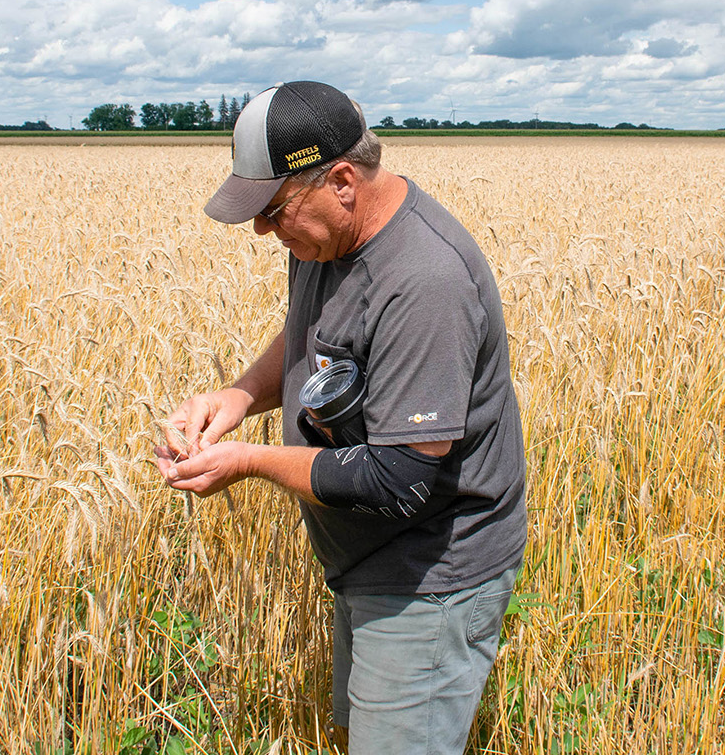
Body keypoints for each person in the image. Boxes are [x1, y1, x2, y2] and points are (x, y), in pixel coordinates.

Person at [155, 81, 526, 754]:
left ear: (344, 180)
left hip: (429, 579)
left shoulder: (424, 283)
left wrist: (248, 460)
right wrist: (238, 397)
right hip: (372, 564)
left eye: (273, 210)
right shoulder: (324, 239)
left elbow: (399, 475)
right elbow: (317, 335)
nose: (265, 231)